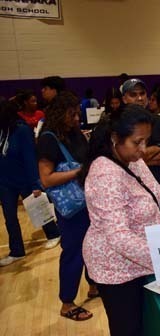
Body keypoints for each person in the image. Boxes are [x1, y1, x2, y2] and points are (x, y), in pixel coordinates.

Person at [82, 105, 160, 336]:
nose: (143, 149)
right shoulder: (104, 174)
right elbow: (119, 237)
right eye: (137, 142)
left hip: (143, 259)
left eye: (146, 141)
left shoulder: (133, 159)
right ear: (115, 138)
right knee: (128, 329)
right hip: (117, 268)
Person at [37, 91, 96, 321]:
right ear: (60, 114)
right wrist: (78, 172)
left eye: (77, 114)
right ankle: (67, 302)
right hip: (71, 209)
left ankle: (94, 286)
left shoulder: (74, 133)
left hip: (86, 202)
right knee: (73, 252)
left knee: (92, 247)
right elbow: (46, 179)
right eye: (72, 115)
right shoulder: (48, 139)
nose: (76, 119)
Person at [0, 101, 61, 266]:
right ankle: (17, 251)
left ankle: (53, 234)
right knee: (9, 216)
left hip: (25, 179)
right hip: (5, 182)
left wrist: (36, 183)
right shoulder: (1, 132)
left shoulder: (21, 130)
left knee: (38, 209)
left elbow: (29, 158)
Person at [121, 78, 160, 222]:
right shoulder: (117, 124)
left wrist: (137, 161)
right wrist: (158, 147)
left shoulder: (159, 121)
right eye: (133, 94)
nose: (139, 98)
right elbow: (120, 159)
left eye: (142, 94)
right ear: (124, 98)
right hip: (129, 191)